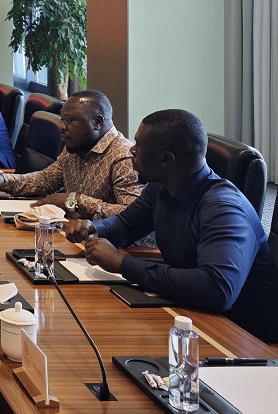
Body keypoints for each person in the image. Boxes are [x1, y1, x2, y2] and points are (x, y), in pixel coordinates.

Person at [65, 109, 278, 343]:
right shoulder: (161, 187)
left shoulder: (224, 209)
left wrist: (122, 263)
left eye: (138, 145)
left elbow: (218, 290)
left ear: (167, 159)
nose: (131, 150)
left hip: (244, 336)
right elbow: (125, 224)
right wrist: (95, 228)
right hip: (190, 312)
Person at [0, 90, 143, 220]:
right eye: (62, 120)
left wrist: (75, 201)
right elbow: (46, 179)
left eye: (69, 121)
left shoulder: (124, 158)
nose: (62, 127)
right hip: (72, 234)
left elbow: (133, 214)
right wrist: (4, 181)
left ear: (97, 122)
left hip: (108, 246)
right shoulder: (76, 146)